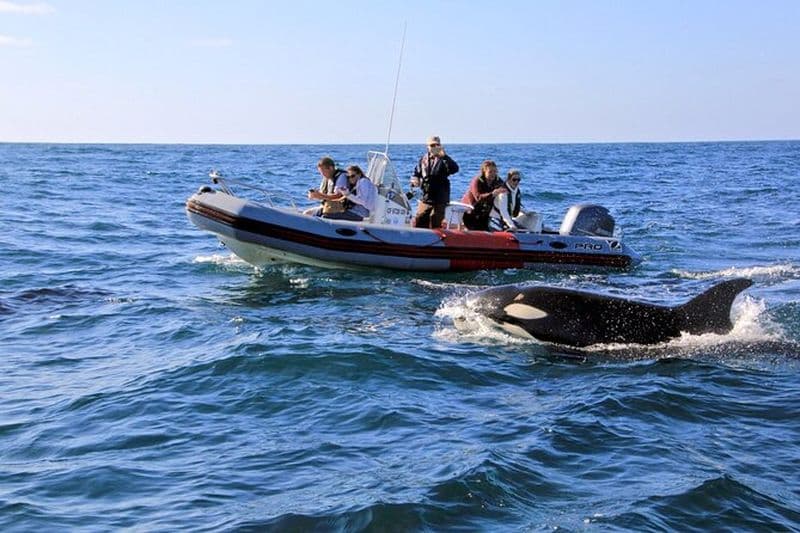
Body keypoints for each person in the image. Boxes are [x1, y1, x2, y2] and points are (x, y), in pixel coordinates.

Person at [410, 135, 459, 228]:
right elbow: (416, 173)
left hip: (440, 197)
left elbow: (455, 169)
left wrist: (445, 157)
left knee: (436, 221)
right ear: (428, 147)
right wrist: (415, 180)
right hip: (426, 196)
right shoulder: (423, 159)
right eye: (432, 145)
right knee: (420, 220)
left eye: (437, 145)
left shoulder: (444, 159)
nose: (435, 147)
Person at [461, 159, 506, 231]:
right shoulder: (477, 181)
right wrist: (492, 194)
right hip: (470, 212)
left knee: (485, 230)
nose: (493, 174)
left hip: (485, 214)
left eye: (495, 171)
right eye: (490, 172)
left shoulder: (498, 181)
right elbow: (478, 197)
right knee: (474, 230)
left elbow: (505, 189)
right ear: (484, 172)